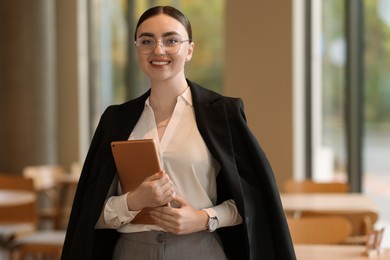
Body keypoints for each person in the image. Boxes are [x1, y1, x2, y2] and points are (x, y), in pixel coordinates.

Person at [61, 5, 296, 260]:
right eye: (147, 41)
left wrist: (203, 218)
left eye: (171, 40)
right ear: (137, 48)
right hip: (131, 252)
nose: (158, 49)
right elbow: (88, 215)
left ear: (189, 49)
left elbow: (252, 203)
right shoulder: (115, 120)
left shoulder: (223, 114)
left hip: (200, 250)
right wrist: (133, 202)